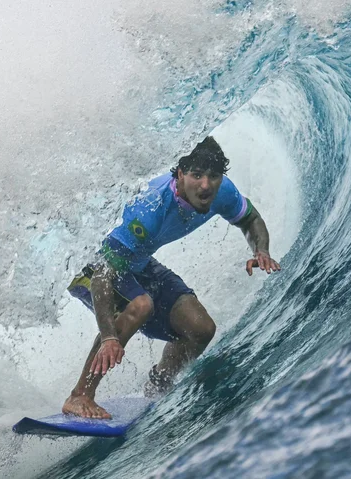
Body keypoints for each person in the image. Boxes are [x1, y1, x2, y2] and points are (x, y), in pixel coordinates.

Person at [63, 136, 280, 419]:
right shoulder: (150, 209)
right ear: (179, 174)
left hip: (136, 262)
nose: (205, 185)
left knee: (200, 328)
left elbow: (249, 218)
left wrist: (261, 250)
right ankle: (80, 395)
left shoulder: (222, 192)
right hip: (93, 264)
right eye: (196, 175)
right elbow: (104, 272)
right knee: (140, 305)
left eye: (213, 176)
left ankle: (158, 384)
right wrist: (108, 337)